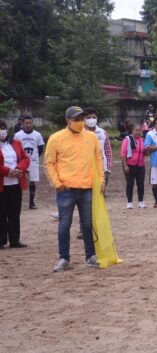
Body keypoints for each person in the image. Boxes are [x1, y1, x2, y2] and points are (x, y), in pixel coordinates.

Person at [45, 106, 104, 272]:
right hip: (66, 189)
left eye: (82, 119)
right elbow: (49, 162)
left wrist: (101, 180)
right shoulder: (56, 138)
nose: (80, 122)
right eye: (76, 119)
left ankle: (90, 256)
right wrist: (57, 183)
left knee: (87, 224)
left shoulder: (91, 137)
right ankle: (64, 258)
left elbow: (98, 159)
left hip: (87, 188)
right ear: (68, 121)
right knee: (64, 224)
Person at [0, 119, 30, 249]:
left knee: (14, 212)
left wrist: (19, 169)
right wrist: (8, 172)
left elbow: (25, 158)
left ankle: (14, 239)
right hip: (2, 184)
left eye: (3, 128)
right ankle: (1, 241)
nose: (2, 131)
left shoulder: (16, 143)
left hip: (16, 183)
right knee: (1, 213)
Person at [14, 115, 45, 209]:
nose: (28, 125)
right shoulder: (18, 135)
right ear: (22, 123)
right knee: (18, 182)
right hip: (21, 163)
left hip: (33, 162)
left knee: (32, 182)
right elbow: (15, 149)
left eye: (30, 123)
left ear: (32, 123)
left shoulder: (37, 135)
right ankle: (17, 203)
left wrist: (35, 157)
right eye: (26, 123)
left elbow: (40, 148)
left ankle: (31, 203)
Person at [84, 108, 112, 189]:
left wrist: (108, 167)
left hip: (102, 168)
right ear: (84, 119)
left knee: (101, 192)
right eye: (88, 118)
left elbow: (108, 150)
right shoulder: (81, 133)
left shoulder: (103, 133)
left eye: (94, 117)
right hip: (86, 169)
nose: (91, 119)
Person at [120, 124, 146, 209]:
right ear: (132, 131)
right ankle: (129, 202)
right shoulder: (127, 140)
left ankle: (141, 201)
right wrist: (125, 165)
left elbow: (144, 152)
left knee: (141, 184)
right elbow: (123, 154)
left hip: (141, 166)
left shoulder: (142, 140)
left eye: (139, 130)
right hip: (130, 165)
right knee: (130, 184)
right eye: (136, 130)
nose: (138, 132)